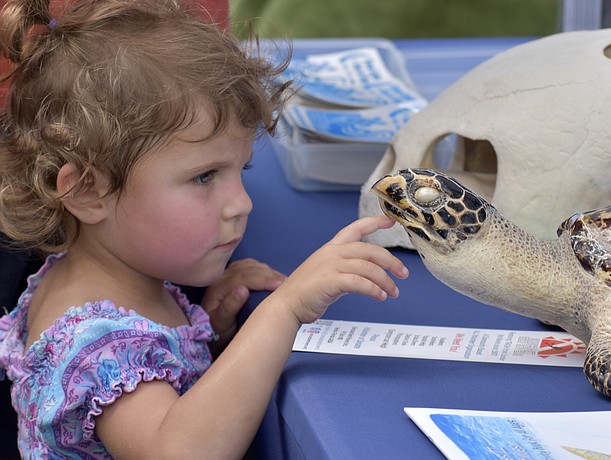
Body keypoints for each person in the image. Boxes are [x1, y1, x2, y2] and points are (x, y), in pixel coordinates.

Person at [0, 0, 409, 458]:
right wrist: (282, 312)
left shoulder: (115, 282)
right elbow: (180, 451)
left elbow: (157, 384)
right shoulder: (94, 344)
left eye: (242, 170)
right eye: (204, 177)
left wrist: (209, 332)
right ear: (89, 192)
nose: (242, 203)